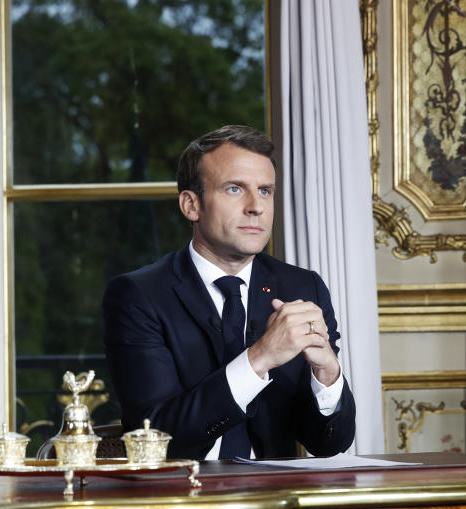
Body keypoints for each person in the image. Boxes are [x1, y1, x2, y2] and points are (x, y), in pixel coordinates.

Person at [103, 125, 356, 460]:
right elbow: (158, 440)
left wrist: (327, 372)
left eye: (265, 191)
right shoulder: (137, 296)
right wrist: (261, 356)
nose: (256, 207)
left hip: (278, 501)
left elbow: (329, 444)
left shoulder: (302, 287)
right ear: (191, 205)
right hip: (183, 500)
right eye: (235, 189)